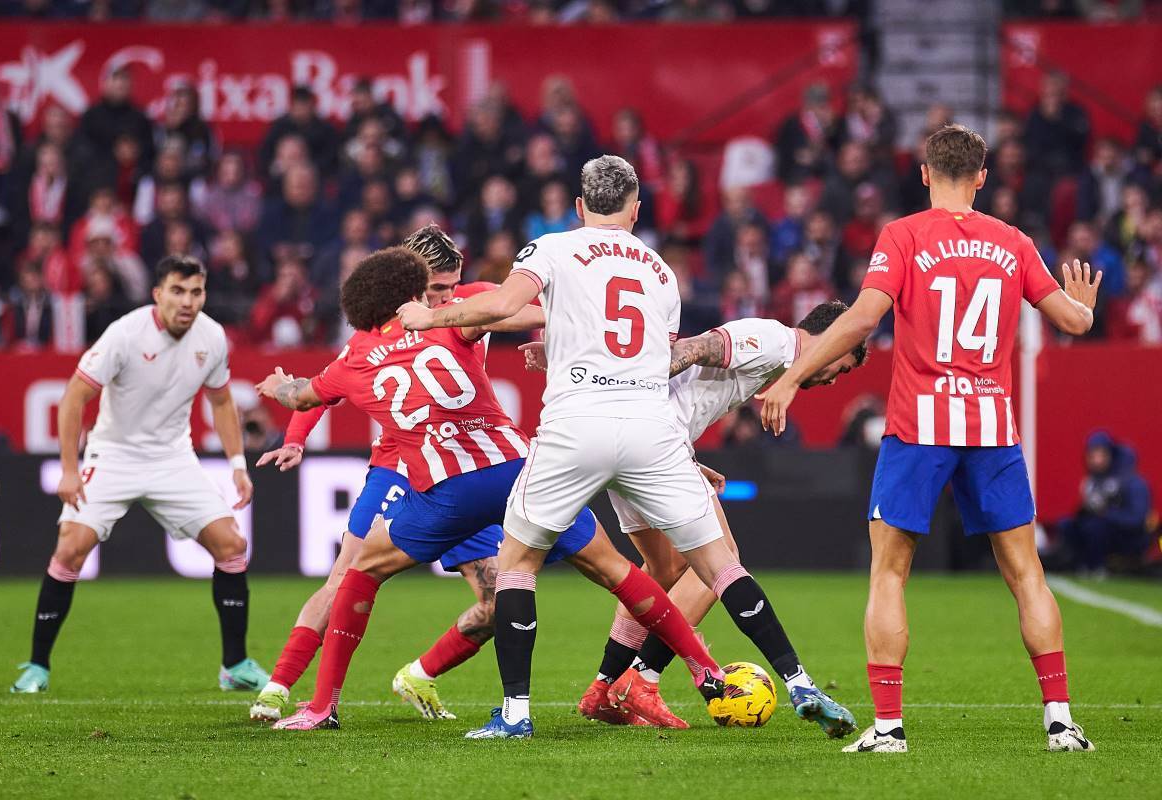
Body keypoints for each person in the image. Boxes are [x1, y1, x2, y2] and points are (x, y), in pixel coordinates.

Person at [398, 155, 848, 741]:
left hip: (577, 423)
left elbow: (504, 306)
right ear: (636, 210)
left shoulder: (552, 247)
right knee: (721, 566)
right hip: (649, 428)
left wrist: (426, 317)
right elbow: (656, 357)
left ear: (579, 206)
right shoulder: (661, 271)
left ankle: (516, 713)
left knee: (516, 566)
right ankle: (800, 683)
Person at [259, 246, 722, 734]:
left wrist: (276, 386)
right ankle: (705, 668)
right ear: (414, 293)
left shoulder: (352, 360)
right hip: (520, 472)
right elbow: (510, 313)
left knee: (361, 571)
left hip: (448, 492)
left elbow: (302, 396)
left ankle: (322, 706)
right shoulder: (451, 320)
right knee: (615, 570)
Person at [758, 124, 1103, 754]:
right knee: (1027, 574)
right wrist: (1083, 309)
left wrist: (792, 376)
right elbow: (1072, 322)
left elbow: (863, 318)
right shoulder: (1014, 242)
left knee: (889, 574)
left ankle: (889, 728)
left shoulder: (904, 236)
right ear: (982, 177)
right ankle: (1061, 722)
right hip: (992, 427)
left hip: (920, 427)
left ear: (924, 174)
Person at [520, 302, 864, 733]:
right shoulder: (775, 342)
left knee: (663, 568)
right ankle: (643, 679)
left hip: (628, 441)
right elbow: (693, 348)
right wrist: (633, 385)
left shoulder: (775, 358)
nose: (833, 379)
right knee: (720, 561)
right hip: (653, 440)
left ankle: (604, 687)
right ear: (832, 338)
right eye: (841, 366)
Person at [247, 224, 512, 722]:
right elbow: (323, 386)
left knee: (500, 603)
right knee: (345, 575)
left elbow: (535, 301)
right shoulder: (373, 333)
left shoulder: (475, 299)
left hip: (463, 467)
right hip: (401, 465)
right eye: (435, 288)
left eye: (452, 285)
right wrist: (296, 438)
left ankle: (420, 674)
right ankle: (279, 686)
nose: (445, 298)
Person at [11, 256, 269, 695]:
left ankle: (235, 665)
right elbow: (73, 398)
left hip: (173, 458)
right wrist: (70, 470)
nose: (187, 302)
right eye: (177, 291)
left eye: (196, 292)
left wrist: (238, 466)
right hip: (113, 455)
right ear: (157, 294)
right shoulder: (125, 334)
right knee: (70, 549)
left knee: (232, 544)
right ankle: (37, 667)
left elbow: (223, 402)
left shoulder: (211, 336)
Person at [1062, 431, 1152, 578]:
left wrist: (1106, 514)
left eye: (1101, 455)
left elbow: (1137, 519)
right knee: (1070, 525)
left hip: (1128, 537)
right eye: (1092, 455)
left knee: (1095, 528)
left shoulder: (1133, 482)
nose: (1096, 460)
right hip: (1103, 529)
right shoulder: (1093, 482)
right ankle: (1080, 564)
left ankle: (1097, 567)